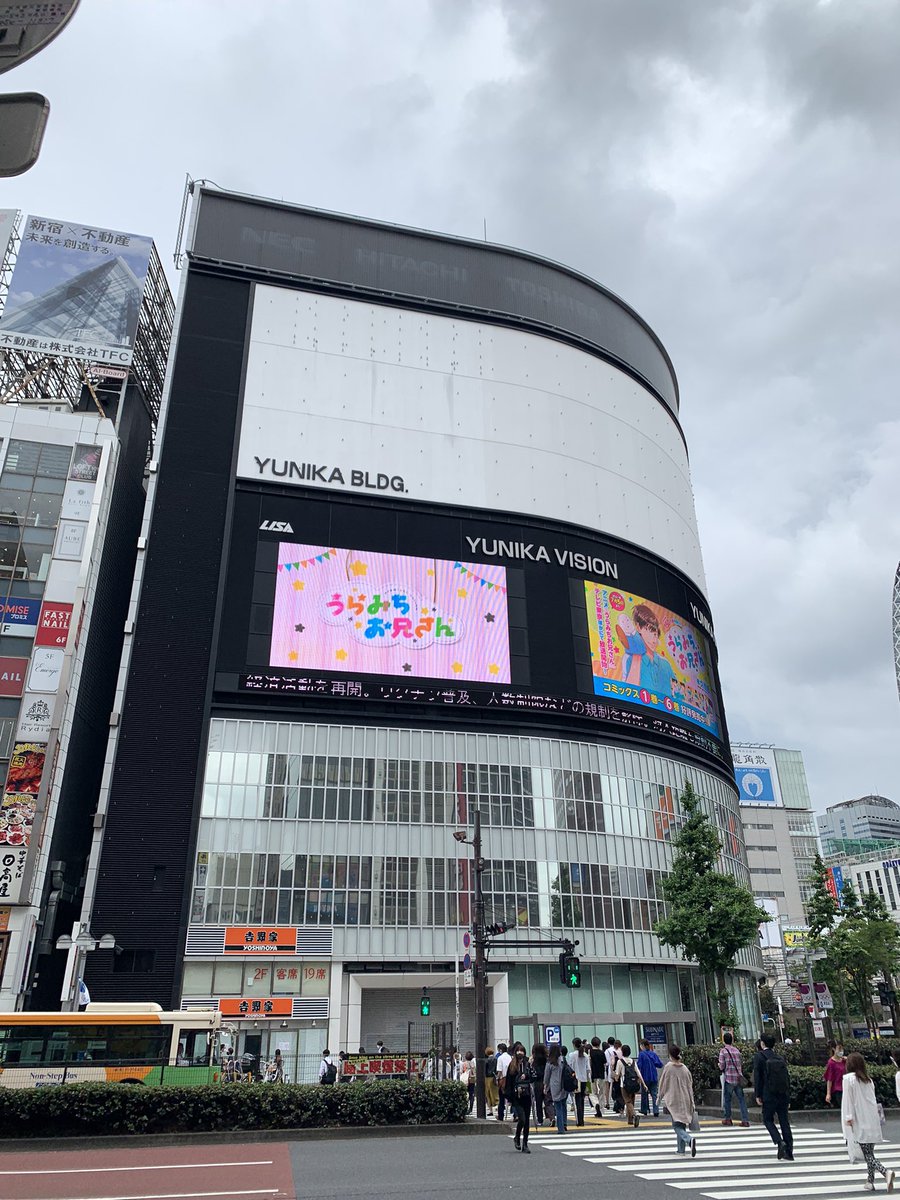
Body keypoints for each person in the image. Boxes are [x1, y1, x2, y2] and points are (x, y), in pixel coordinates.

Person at [842, 1052, 894, 1193]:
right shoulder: (868, 1080)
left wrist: (848, 1117)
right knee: (869, 1152)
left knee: (867, 1155)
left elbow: (848, 1100)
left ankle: (886, 1172)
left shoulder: (848, 1079)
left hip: (859, 1120)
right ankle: (870, 1182)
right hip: (872, 1120)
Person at [753, 1034, 793, 1160]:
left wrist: (758, 1094)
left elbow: (758, 1077)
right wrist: (788, 1096)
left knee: (767, 1119)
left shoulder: (759, 1057)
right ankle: (789, 1152)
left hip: (768, 1094)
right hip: (783, 1094)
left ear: (762, 1043)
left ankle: (779, 1141)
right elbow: (786, 1078)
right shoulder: (779, 1057)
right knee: (784, 1121)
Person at [658, 1044, 697, 1156]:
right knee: (681, 1123)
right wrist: (692, 1102)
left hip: (674, 1099)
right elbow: (690, 1086)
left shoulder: (668, 1067)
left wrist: (659, 1097)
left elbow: (663, 1083)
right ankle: (681, 1150)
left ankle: (689, 1140)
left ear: (670, 1055)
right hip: (685, 1098)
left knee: (676, 1125)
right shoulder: (685, 1069)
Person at [506, 1045, 535, 1152]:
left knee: (526, 1120)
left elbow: (534, 1076)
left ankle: (525, 1144)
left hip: (526, 1094)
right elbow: (509, 1081)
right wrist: (509, 1097)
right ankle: (517, 1136)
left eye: (522, 1051)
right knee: (522, 1119)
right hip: (516, 1096)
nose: (520, 1053)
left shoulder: (528, 1064)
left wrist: (526, 1076)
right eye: (518, 1051)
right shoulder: (512, 1065)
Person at [719, 1032, 750, 1126]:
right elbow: (740, 1063)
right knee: (741, 1099)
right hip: (738, 1078)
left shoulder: (723, 1051)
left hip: (729, 1077)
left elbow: (722, 1066)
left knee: (727, 1099)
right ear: (732, 1040)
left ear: (724, 1040)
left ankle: (728, 1119)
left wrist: (719, 1065)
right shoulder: (737, 1051)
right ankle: (745, 1120)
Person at [614, 1044, 646, 1127]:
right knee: (631, 1101)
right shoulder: (633, 1061)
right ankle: (630, 1120)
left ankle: (634, 1115)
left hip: (624, 1085)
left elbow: (617, 1074)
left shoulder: (620, 1062)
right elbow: (638, 1073)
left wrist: (615, 1077)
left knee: (628, 1101)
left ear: (622, 1052)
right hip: (633, 1084)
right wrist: (644, 1084)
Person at [544, 1045, 569, 1134]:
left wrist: (545, 1087)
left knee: (558, 1107)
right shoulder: (563, 1060)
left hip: (554, 1086)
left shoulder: (550, 1062)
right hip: (564, 1084)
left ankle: (560, 1128)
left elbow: (546, 1077)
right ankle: (564, 1123)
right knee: (563, 1104)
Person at [567, 1037, 591, 1126]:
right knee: (581, 1100)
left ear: (574, 1045)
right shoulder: (585, 1055)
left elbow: (570, 1067)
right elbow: (588, 1069)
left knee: (577, 1100)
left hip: (576, 1080)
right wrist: (588, 1081)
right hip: (584, 1079)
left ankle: (579, 1120)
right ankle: (581, 1119)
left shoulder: (572, 1055)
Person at [637, 1039, 663, 1118]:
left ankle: (645, 1109)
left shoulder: (641, 1054)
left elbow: (639, 1066)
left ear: (643, 1046)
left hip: (645, 1077)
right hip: (654, 1076)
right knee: (654, 1094)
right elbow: (660, 1064)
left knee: (644, 1094)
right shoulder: (653, 1054)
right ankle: (656, 1110)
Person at [824, 1041, 847, 1108]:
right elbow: (829, 1079)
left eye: (842, 1049)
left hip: (846, 1087)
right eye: (839, 1049)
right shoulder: (831, 1063)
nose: (841, 1051)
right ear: (834, 1049)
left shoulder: (844, 1061)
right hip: (838, 1090)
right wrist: (828, 1094)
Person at [531, 1042, 548, 1127]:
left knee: (538, 1102)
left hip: (537, 1082)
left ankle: (540, 1119)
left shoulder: (534, 1061)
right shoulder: (547, 1059)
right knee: (548, 1101)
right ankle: (550, 1116)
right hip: (546, 1082)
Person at [590, 1036, 606, 1117]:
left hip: (592, 1076)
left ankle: (596, 1104)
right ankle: (601, 1108)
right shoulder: (602, 1052)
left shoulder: (590, 1052)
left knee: (592, 1093)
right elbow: (605, 1063)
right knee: (601, 1093)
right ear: (599, 1044)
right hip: (601, 1075)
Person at [495, 1042, 512, 1121]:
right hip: (510, 1079)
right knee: (511, 1098)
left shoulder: (500, 1058)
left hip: (503, 1080)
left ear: (500, 1050)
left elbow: (499, 1071)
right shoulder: (510, 1057)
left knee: (501, 1099)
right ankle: (515, 1115)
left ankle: (500, 1116)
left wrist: (497, 1079)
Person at [604, 1036, 618, 1111]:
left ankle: (610, 1101)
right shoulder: (617, 1049)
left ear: (608, 1043)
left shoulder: (607, 1051)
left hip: (610, 1069)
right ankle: (617, 1102)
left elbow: (606, 1062)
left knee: (609, 1086)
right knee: (617, 1086)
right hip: (618, 1068)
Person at [484, 1045, 498, 1116]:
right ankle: (497, 1106)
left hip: (487, 1078)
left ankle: (490, 1110)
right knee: (495, 1093)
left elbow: (485, 1070)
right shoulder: (496, 1059)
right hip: (494, 1077)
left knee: (488, 1094)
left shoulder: (486, 1060)